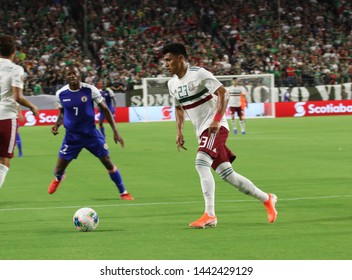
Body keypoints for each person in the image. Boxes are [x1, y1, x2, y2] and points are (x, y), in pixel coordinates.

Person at [161, 42, 277, 228]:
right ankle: (267, 198)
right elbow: (179, 109)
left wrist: (216, 119)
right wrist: (179, 131)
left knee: (201, 163)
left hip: (216, 127)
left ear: (180, 58)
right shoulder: (172, 83)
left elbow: (224, 93)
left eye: (168, 60)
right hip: (202, 131)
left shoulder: (199, 73)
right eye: (164, 61)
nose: (165, 64)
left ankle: (210, 215)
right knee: (227, 175)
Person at [48, 64, 134, 200]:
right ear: (65, 76)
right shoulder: (61, 93)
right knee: (58, 169)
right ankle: (59, 178)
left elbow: (105, 109)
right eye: (69, 74)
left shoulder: (90, 90)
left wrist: (115, 131)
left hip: (91, 135)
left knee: (107, 161)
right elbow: (63, 112)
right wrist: (57, 125)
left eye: (74, 73)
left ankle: (123, 192)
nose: (72, 76)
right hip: (71, 137)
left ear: (79, 74)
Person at [0, 34, 39, 188]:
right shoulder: (16, 69)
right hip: (6, 118)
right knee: (4, 161)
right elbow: (17, 97)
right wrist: (32, 106)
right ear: (14, 51)